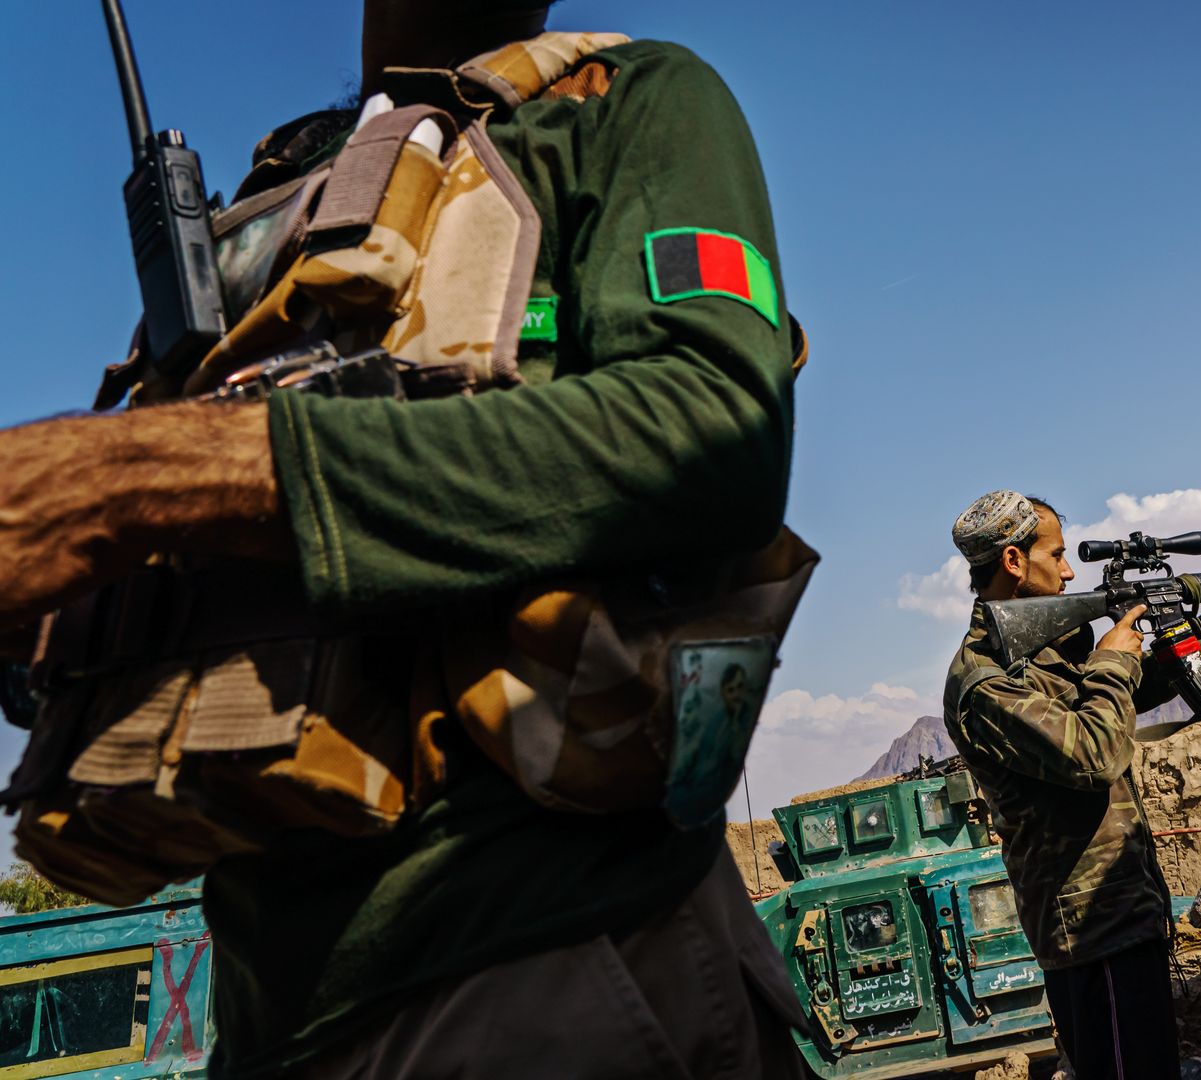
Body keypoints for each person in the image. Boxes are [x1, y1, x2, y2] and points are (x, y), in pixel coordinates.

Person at [0, 2, 810, 1076]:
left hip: (543, 966)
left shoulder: (623, 99)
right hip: (273, 1008)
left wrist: (145, 477)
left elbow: (710, 428)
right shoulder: (279, 190)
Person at [941, 491, 1201, 1079]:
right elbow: (1093, 753)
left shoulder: (1043, 649)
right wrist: (1114, 657)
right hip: (1090, 928)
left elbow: (1115, 706)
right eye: (1057, 555)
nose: (1069, 572)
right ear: (1014, 561)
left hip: (1121, 913)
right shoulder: (986, 683)